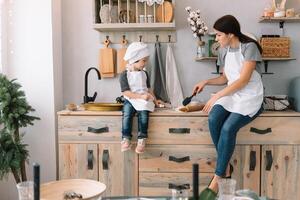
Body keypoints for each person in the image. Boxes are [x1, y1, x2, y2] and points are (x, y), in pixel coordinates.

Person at [193, 15, 264, 197]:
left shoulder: (249, 47)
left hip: (249, 94)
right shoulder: (223, 51)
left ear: (230, 33)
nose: (216, 39)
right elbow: (225, 78)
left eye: (218, 35)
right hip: (232, 93)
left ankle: (218, 177)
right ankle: (225, 167)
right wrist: (206, 82)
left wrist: (217, 95)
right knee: (213, 118)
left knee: (228, 129)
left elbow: (243, 80)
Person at [119, 42, 159, 154]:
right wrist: (141, 96)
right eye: (144, 60)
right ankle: (126, 138)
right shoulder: (124, 75)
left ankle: (142, 139)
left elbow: (149, 89)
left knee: (144, 115)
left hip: (143, 99)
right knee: (127, 113)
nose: (145, 63)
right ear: (135, 59)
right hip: (131, 99)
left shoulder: (144, 73)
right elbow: (126, 93)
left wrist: (155, 100)